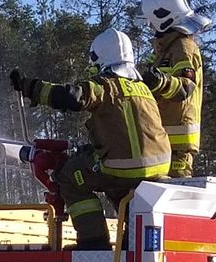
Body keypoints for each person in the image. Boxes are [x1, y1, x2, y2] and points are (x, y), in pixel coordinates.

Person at [10, 30, 170, 247]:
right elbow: (128, 131)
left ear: (100, 59)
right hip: (158, 171)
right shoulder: (143, 89)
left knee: (68, 177)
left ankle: (93, 242)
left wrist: (31, 87)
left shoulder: (106, 85)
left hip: (120, 168)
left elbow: (71, 96)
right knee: (121, 188)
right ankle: (130, 241)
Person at [137, 0, 206, 178]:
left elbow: (186, 87)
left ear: (162, 17)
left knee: (176, 196)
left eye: (151, 21)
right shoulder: (166, 49)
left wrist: (159, 82)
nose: (150, 26)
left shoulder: (183, 47)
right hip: (163, 139)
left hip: (179, 142)